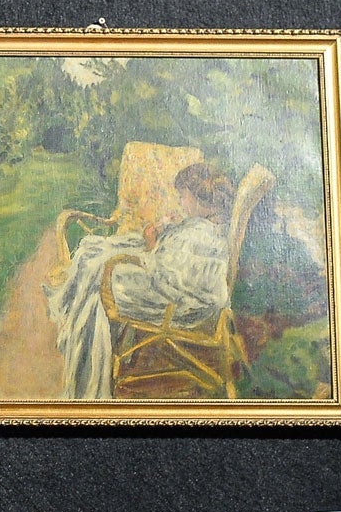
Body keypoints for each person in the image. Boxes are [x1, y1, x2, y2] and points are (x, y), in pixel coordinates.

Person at [46, 160, 236, 400]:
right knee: (95, 254)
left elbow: (166, 272)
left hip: (175, 303)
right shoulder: (203, 226)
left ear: (201, 201)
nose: (181, 202)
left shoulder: (201, 232)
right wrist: (161, 235)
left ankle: (88, 368)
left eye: (183, 197)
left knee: (100, 279)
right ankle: (73, 307)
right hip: (170, 289)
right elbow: (175, 264)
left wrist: (151, 243)